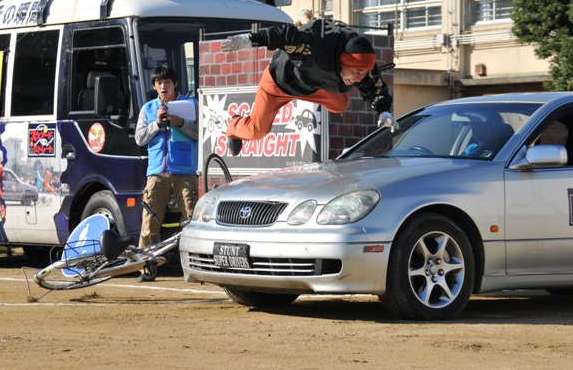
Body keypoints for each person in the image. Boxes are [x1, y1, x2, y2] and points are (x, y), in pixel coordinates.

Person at [221, 18, 398, 156]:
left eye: (363, 74)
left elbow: (376, 87)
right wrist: (249, 39)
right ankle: (234, 127)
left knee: (341, 104)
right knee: (257, 131)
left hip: (314, 87)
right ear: (343, 62)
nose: (358, 79)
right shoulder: (312, 45)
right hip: (279, 83)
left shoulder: (363, 68)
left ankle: (319, 86)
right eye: (356, 73)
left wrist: (384, 110)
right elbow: (285, 34)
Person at [134, 66, 198, 282]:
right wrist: (157, 124)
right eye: (159, 83)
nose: (163, 86)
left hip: (185, 171)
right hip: (157, 173)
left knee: (191, 219)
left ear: (175, 84)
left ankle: (196, 267)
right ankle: (147, 266)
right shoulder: (148, 108)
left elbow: (202, 132)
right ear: (154, 86)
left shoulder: (189, 105)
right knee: (150, 221)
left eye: (167, 82)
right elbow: (139, 139)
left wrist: (181, 123)